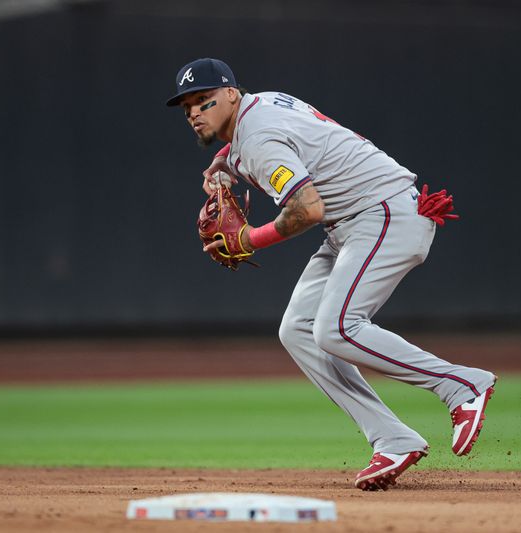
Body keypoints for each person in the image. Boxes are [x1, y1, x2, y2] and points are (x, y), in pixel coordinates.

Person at [167, 58, 497, 491]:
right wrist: (227, 159)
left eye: (203, 101)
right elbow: (282, 138)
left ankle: (461, 385)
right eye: (187, 106)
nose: (194, 112)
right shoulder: (260, 106)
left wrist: (250, 238)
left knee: (337, 328)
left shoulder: (260, 138)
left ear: (231, 93)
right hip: (357, 222)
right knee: (299, 330)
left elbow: (307, 208)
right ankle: (393, 439)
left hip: (384, 213)